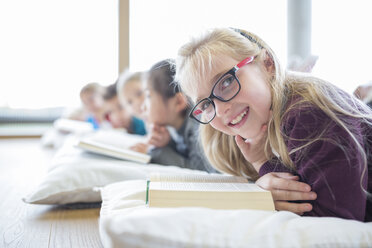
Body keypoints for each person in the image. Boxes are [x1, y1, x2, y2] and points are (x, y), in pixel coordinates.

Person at [175, 27, 372, 221]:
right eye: (207, 104)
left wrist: (263, 172)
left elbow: (333, 224)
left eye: (226, 82)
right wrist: (263, 163)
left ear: (267, 63)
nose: (219, 110)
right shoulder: (266, 129)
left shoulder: (309, 113)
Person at [132, 59, 214, 172]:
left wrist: (157, 151)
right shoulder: (177, 128)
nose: (143, 107)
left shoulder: (199, 127)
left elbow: (199, 172)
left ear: (178, 102)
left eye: (148, 96)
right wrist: (168, 143)